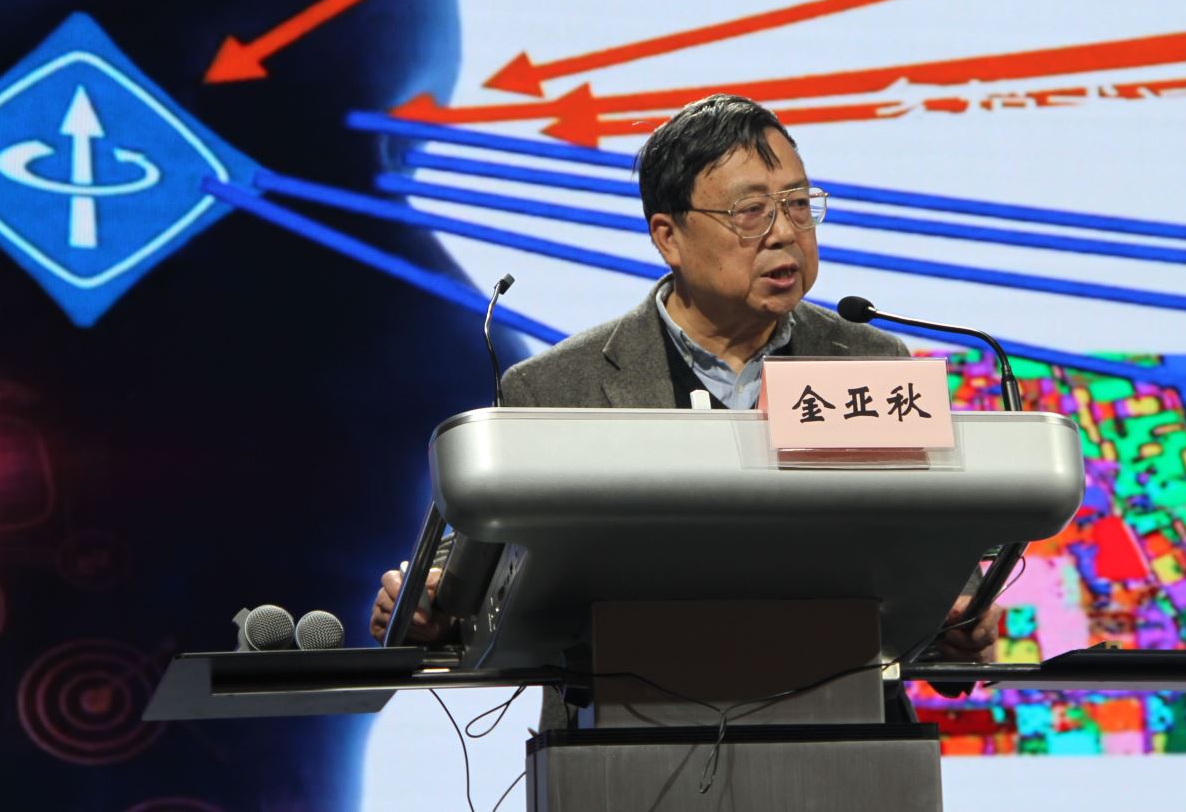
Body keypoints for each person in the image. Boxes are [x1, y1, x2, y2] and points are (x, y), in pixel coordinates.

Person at [371, 95, 1000, 702]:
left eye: (798, 204)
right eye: (751, 212)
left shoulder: (871, 364)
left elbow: (942, 591)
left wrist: (961, 628)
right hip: (623, 735)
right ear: (668, 237)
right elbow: (461, 587)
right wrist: (427, 605)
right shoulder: (555, 388)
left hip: (848, 729)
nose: (785, 233)